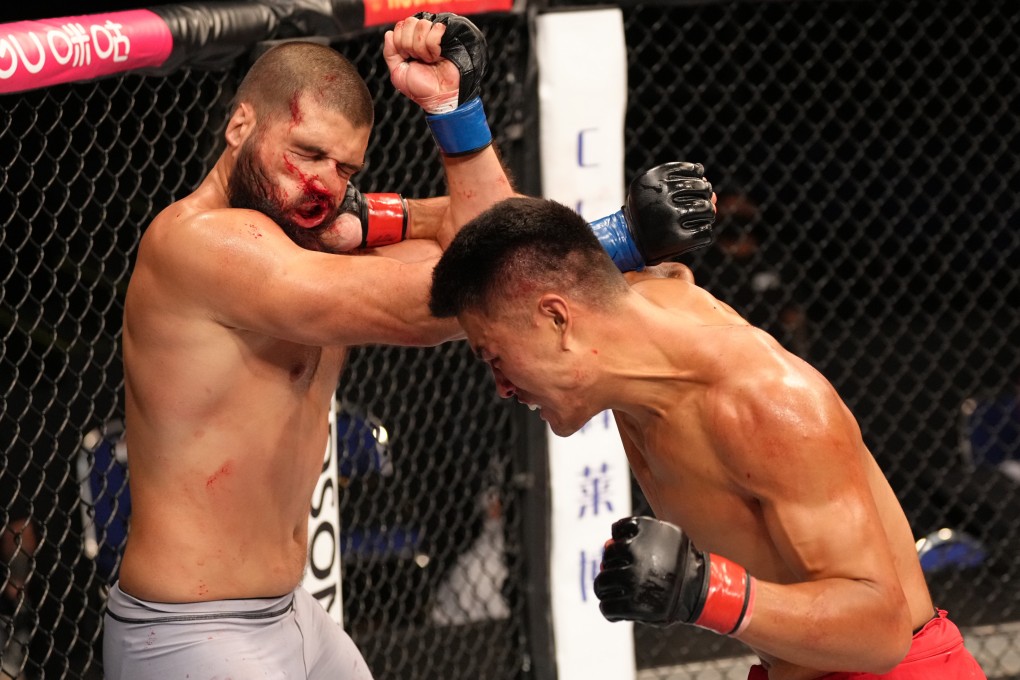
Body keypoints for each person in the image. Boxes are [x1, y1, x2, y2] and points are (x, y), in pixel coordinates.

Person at [104, 13, 515, 679]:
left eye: (345, 169)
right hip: (192, 635)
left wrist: (444, 124)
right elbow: (466, 293)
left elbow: (499, 238)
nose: (322, 186)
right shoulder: (204, 244)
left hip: (292, 614)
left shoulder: (306, 234)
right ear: (241, 126)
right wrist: (453, 138)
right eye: (307, 153)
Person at [427, 195, 987, 680]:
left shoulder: (766, 403)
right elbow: (514, 253)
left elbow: (883, 631)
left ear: (557, 319)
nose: (501, 387)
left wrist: (706, 592)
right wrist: (617, 234)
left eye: (495, 358)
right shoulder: (627, 326)